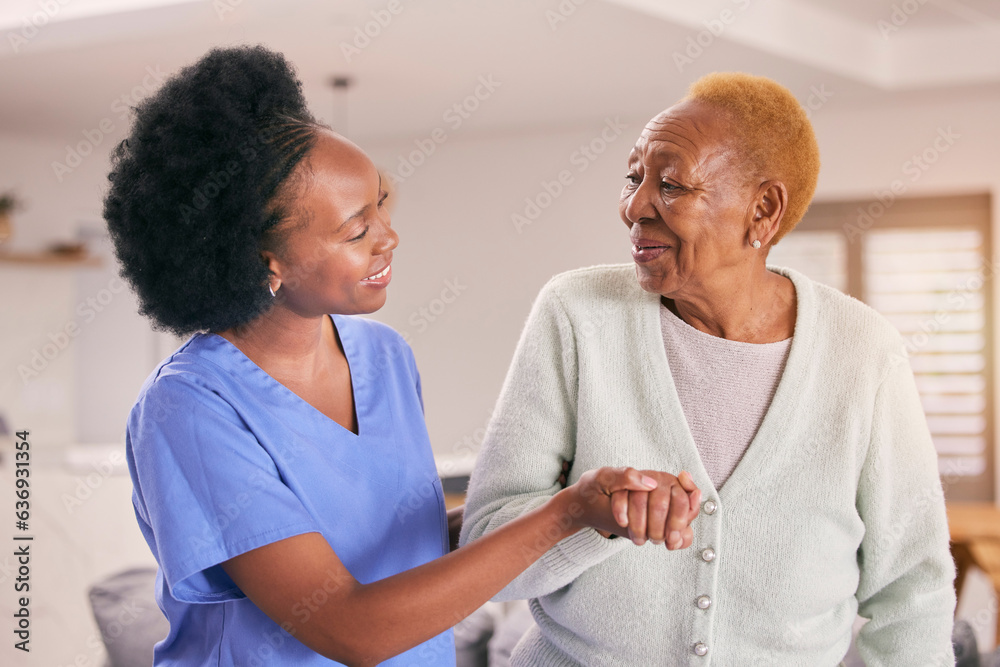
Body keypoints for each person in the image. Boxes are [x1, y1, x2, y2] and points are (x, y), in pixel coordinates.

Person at [102, 45, 702, 666]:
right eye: (356, 230)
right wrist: (561, 515)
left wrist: (568, 504)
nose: (389, 236)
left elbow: (400, 548)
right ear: (266, 261)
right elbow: (348, 627)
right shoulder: (190, 409)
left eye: (381, 205)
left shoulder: (383, 357)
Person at [460, 72, 957, 665]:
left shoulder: (864, 352)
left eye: (670, 184)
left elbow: (913, 593)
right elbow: (484, 550)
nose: (634, 207)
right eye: (633, 177)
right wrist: (593, 518)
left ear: (762, 210)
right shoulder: (578, 314)